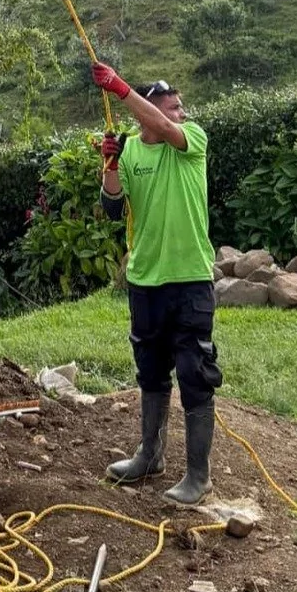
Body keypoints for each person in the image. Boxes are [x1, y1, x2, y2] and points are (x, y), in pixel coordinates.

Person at [92, 63, 220, 505]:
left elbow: (165, 128)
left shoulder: (192, 139)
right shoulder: (131, 151)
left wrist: (118, 87)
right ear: (147, 113)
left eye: (181, 107)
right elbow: (112, 206)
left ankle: (199, 476)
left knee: (195, 374)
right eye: (172, 107)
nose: (181, 113)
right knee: (150, 371)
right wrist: (110, 164)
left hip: (190, 279)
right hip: (145, 280)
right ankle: (150, 455)